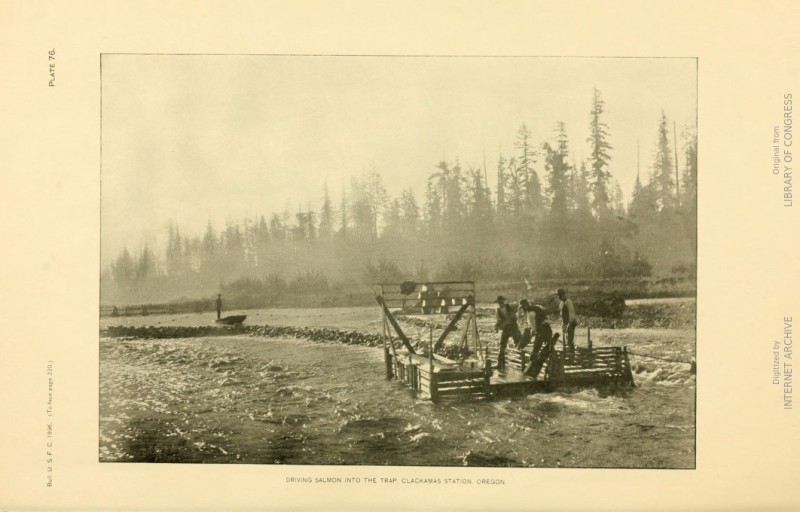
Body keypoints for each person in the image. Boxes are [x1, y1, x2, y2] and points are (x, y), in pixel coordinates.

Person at [524, 305, 555, 378]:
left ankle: (530, 369)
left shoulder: (530, 314)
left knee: (536, 348)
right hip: (547, 328)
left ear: (525, 308)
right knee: (550, 346)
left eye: (523, 308)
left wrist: (531, 335)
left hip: (541, 330)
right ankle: (553, 364)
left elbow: (534, 328)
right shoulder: (537, 308)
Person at [494, 296, 521, 370]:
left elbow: (515, 314)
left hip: (513, 328)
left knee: (519, 343)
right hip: (506, 329)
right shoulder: (498, 310)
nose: (500, 303)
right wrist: (496, 326)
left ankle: (522, 361)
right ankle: (500, 363)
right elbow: (499, 320)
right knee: (502, 345)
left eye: (501, 301)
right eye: (499, 302)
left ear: (503, 301)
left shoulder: (510, 307)